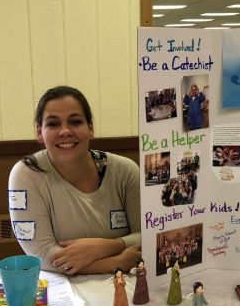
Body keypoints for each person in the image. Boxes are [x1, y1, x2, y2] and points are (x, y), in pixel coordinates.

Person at [8, 86, 141, 275]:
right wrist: (118, 261)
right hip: (63, 289)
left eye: (75, 122)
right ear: (39, 133)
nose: (65, 131)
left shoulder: (126, 171)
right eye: (53, 124)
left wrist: (104, 246)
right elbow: (43, 256)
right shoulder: (26, 174)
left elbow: (147, 236)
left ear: (91, 128)